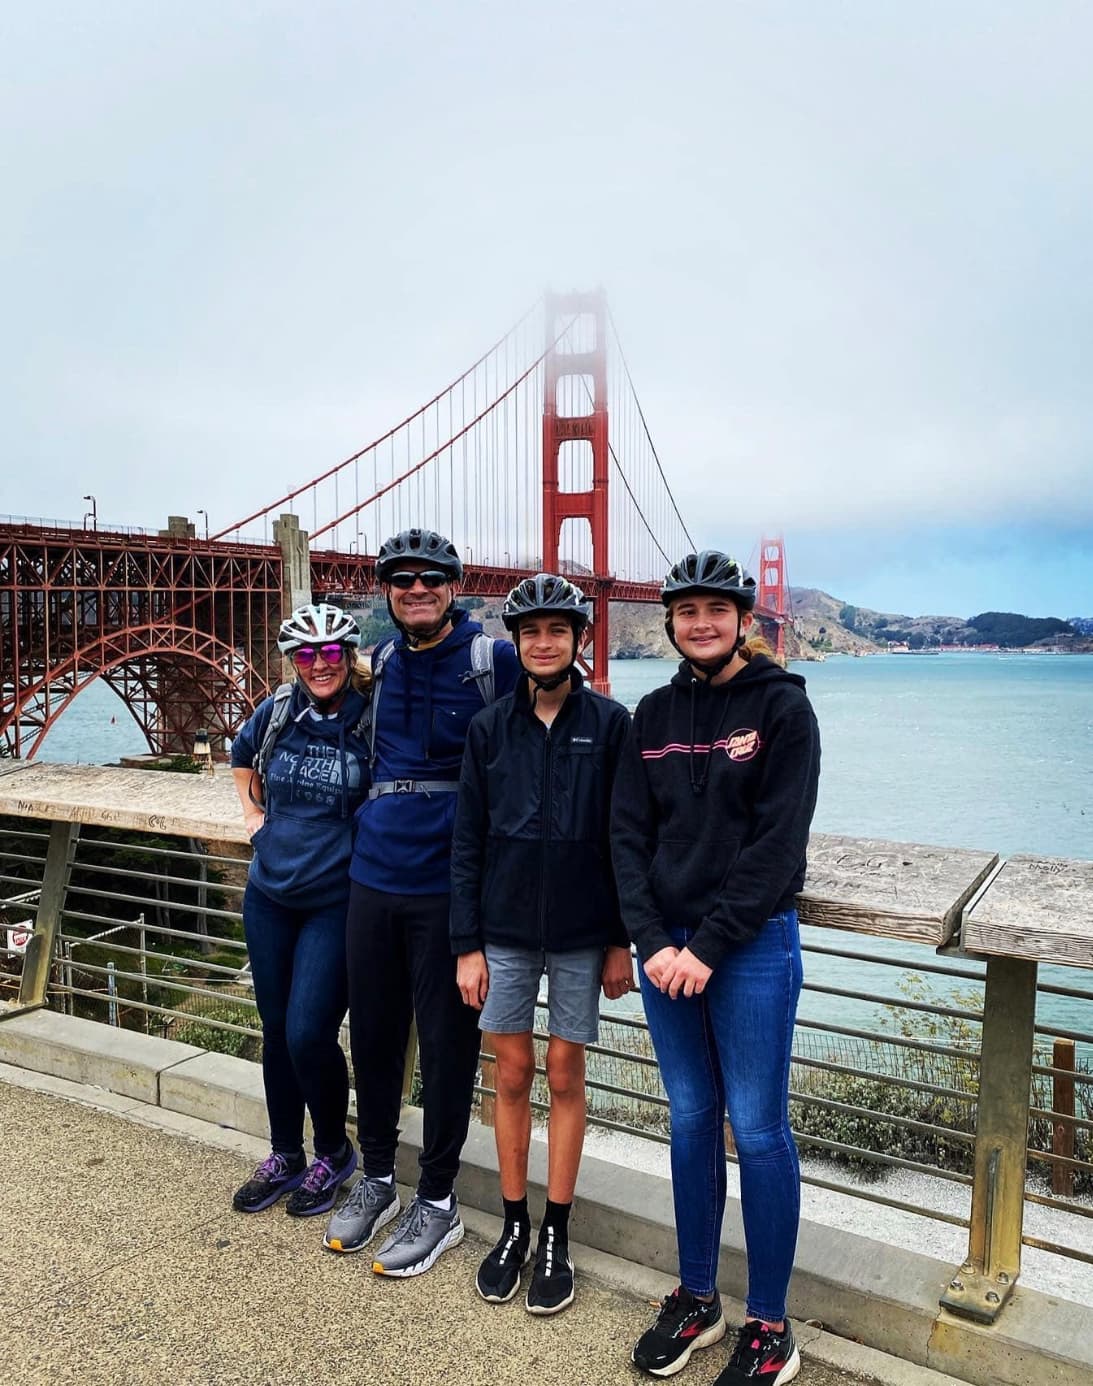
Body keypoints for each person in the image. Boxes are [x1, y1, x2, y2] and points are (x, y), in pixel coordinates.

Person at [611, 551, 820, 1385]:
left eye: (715, 610)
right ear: (669, 622)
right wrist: (654, 940)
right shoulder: (650, 715)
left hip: (749, 946)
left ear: (743, 620)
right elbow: (624, 837)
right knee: (691, 1116)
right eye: (685, 611)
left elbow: (778, 847)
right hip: (665, 949)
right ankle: (696, 1298)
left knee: (761, 1129)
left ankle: (770, 1325)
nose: (700, 622)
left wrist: (706, 947)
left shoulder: (782, 710)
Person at [323, 527, 520, 1275]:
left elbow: (555, 737)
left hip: (449, 888)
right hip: (371, 879)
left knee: (446, 1050)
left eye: (429, 578)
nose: (415, 589)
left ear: (454, 586)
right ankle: (375, 1178)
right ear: (386, 592)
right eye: (400, 579)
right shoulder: (375, 666)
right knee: (370, 1037)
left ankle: (436, 1203)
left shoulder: (491, 660)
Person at [450, 573, 634, 1314]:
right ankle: (513, 1224)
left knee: (563, 1070)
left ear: (579, 639)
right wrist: (466, 945)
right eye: (530, 632)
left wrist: (623, 940)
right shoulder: (489, 728)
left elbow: (627, 839)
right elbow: (467, 843)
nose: (544, 642)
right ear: (516, 643)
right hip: (504, 929)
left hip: (585, 932)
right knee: (511, 1071)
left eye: (558, 630)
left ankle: (557, 1229)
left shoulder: (612, 724)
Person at [229, 602, 371, 1218]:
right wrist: (254, 821)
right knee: (275, 1032)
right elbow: (239, 758)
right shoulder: (277, 712)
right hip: (268, 895)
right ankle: (285, 1153)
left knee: (307, 1031)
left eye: (332, 653)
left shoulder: (372, 719)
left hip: (333, 901)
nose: (319, 664)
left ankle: (335, 1151)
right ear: (293, 661)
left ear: (349, 656)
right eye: (307, 655)